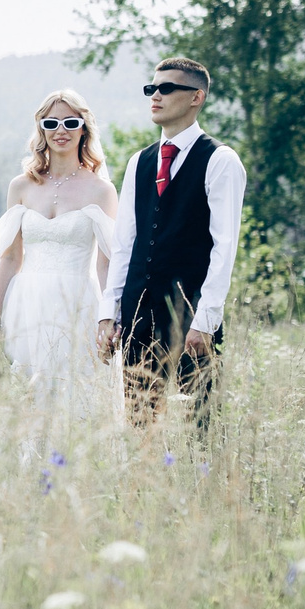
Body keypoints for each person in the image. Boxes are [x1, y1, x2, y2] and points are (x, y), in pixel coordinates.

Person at [97, 57, 247, 427]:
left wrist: (206, 320)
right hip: (137, 317)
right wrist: (109, 312)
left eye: (167, 88)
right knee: (140, 428)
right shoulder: (140, 162)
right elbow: (124, 244)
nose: (155, 95)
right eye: (151, 88)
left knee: (199, 428)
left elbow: (224, 247)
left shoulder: (220, 160)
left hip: (190, 318)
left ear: (197, 96)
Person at [0, 88, 119, 426]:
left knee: (73, 401)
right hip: (24, 307)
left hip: (77, 305)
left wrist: (110, 317)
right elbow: (10, 259)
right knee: (22, 400)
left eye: (71, 122)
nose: (61, 130)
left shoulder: (101, 191)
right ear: (41, 129)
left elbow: (106, 263)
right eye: (52, 122)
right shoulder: (21, 186)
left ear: (84, 129)